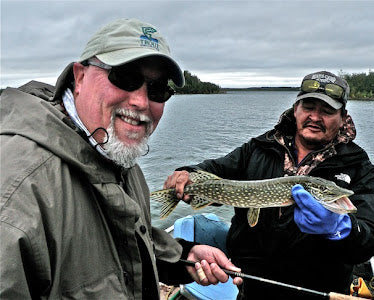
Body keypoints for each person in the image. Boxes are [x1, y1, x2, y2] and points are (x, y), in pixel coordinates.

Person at [0, 18, 242, 299]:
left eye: (157, 89)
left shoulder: (116, 155)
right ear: (79, 78)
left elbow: (128, 241)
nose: (141, 102)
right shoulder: (15, 192)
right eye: (125, 78)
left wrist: (184, 257)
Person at [164, 71, 374, 299]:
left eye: (327, 111)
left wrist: (341, 228)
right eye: (308, 107)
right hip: (252, 285)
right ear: (296, 108)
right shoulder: (260, 147)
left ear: (342, 117)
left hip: (318, 291)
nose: (315, 117)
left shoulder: (358, 164)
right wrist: (188, 173)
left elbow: (370, 237)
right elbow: (216, 168)